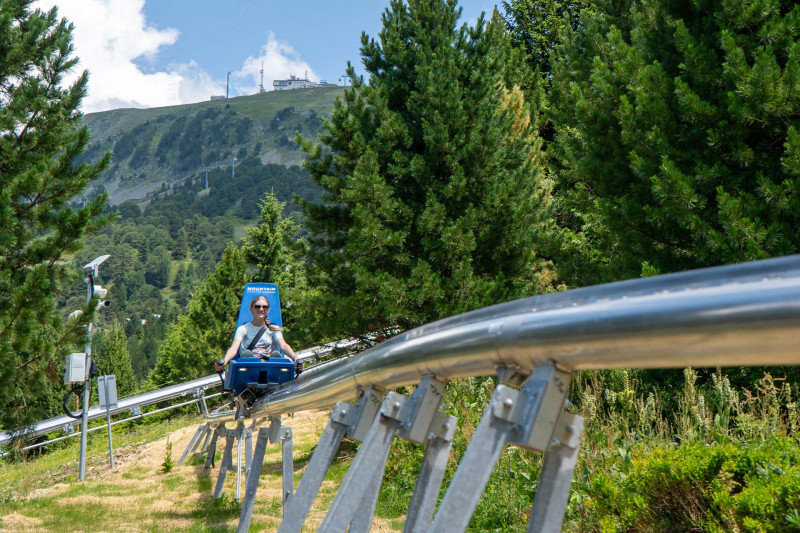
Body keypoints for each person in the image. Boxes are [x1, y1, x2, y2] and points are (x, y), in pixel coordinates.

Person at [215, 295, 302, 373]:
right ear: (251, 309)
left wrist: (295, 358)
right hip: (249, 367)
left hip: (268, 365)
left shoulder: (273, 329)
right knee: (247, 355)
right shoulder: (243, 329)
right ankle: (248, 358)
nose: (261, 309)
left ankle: (274, 362)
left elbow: (283, 345)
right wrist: (224, 361)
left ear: (268, 310)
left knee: (276, 355)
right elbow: (234, 349)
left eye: (264, 307)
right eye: (257, 307)